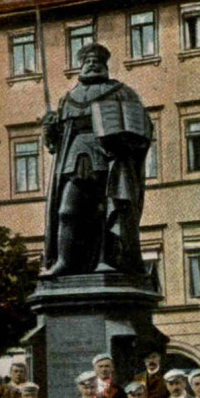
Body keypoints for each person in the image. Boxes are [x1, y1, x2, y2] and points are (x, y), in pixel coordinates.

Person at [41, 43, 153, 277]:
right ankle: (64, 261)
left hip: (108, 158)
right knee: (67, 211)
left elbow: (142, 127)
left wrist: (125, 141)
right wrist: (49, 129)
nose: (92, 64)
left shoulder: (121, 92)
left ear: (105, 65)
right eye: (88, 61)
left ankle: (107, 259)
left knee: (104, 211)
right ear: (81, 65)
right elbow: (54, 144)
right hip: (74, 158)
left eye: (97, 61)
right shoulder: (68, 98)